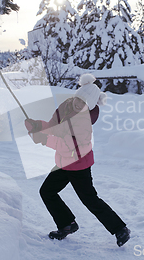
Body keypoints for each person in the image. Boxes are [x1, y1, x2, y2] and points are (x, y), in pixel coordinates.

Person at [25, 74, 130, 247]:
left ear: (90, 107)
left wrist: (43, 139)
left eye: (84, 103)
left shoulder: (84, 122)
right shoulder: (67, 106)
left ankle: (120, 229)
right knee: (47, 192)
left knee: (90, 200)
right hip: (63, 163)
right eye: (78, 98)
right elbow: (54, 127)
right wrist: (38, 126)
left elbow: (67, 147)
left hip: (79, 165)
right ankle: (67, 224)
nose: (78, 104)